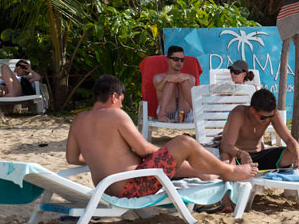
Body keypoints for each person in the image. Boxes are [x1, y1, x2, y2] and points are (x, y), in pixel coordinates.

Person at [65, 74, 259, 199]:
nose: (121, 106)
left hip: (105, 189)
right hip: (131, 186)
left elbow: (72, 158)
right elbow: (143, 149)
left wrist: (98, 158)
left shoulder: (79, 121)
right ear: (114, 97)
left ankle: (207, 173)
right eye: (121, 102)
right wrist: (170, 153)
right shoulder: (115, 115)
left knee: (167, 158)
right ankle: (229, 172)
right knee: (184, 142)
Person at [219, 88, 299, 206]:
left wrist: (297, 150)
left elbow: (288, 139)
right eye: (263, 117)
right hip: (239, 158)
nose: (267, 120)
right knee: (225, 157)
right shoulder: (238, 114)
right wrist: (241, 153)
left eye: (270, 116)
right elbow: (226, 145)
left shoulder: (272, 114)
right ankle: (227, 203)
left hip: (260, 156)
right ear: (252, 110)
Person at [152, 46, 195, 123]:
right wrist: (166, 79)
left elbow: (194, 92)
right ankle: (161, 114)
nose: (179, 62)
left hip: (185, 113)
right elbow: (159, 88)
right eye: (176, 59)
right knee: (171, 80)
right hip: (167, 113)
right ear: (168, 60)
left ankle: (196, 113)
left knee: (184, 80)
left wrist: (187, 78)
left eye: (182, 60)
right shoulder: (159, 77)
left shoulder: (190, 78)